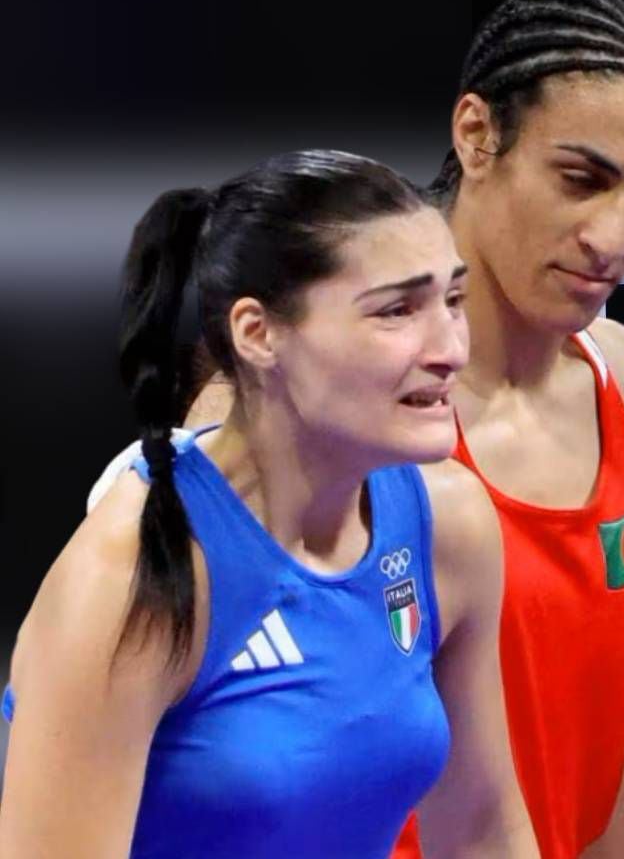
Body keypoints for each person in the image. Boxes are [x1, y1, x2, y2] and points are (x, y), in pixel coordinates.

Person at [83, 0, 624, 859]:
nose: (614, 238)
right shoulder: (296, 398)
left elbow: (590, 715)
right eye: (581, 179)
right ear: (477, 133)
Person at [0, 152, 536, 857]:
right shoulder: (130, 577)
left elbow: (481, 830)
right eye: (398, 309)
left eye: (452, 300)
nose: (450, 348)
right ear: (258, 335)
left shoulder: (449, 524)